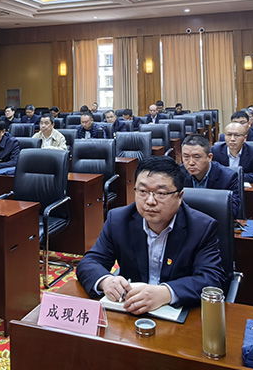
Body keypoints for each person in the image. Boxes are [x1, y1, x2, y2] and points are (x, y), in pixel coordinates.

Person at [76, 156, 225, 313]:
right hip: (130, 311)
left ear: (180, 196)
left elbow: (212, 279)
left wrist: (166, 293)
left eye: (161, 193)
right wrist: (106, 281)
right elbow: (90, 262)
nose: (150, 201)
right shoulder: (118, 220)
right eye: (143, 191)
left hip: (178, 313)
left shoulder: (201, 227)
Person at [179, 134, 240, 218]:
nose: (191, 162)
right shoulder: (178, 174)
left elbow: (233, 211)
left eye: (196, 157)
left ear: (210, 157)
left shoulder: (228, 177)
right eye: (186, 157)